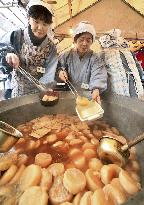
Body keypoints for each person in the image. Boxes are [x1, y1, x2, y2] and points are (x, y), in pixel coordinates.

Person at [0, 0, 58, 98]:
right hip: (18, 91)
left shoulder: (51, 47)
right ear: (28, 19)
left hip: (40, 94)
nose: (40, 28)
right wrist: (9, 55)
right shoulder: (17, 36)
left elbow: (51, 70)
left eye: (45, 24)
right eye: (36, 21)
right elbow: (2, 52)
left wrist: (47, 87)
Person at [55, 21, 107, 104]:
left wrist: (96, 89)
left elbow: (99, 75)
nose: (84, 43)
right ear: (75, 40)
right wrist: (60, 72)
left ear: (92, 41)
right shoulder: (66, 55)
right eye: (81, 39)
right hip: (68, 95)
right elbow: (57, 67)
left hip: (88, 97)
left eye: (88, 40)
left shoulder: (96, 58)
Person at [99, 29, 144, 99]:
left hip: (122, 83)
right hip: (125, 83)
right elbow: (139, 69)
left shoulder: (103, 54)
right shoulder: (128, 52)